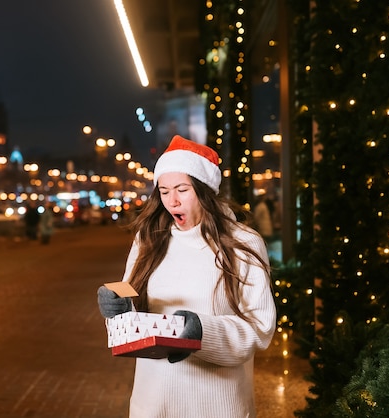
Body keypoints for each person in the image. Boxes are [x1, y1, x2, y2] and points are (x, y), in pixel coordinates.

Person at [97, 135, 276, 417]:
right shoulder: (149, 239)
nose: (173, 201)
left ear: (205, 190)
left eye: (182, 189)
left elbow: (259, 329)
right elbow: (133, 313)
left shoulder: (243, 243)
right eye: (164, 191)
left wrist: (202, 333)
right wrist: (118, 308)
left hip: (217, 403)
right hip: (153, 401)